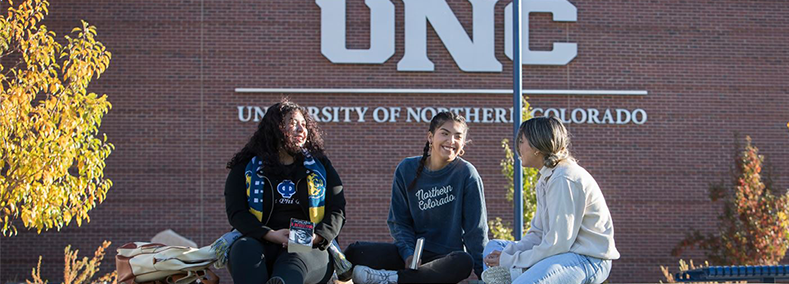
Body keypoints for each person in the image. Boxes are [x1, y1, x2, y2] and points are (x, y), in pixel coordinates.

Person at [344, 111, 489, 284]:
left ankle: (393, 279)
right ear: (430, 137)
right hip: (411, 255)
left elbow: (476, 231)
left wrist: (484, 274)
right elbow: (399, 222)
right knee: (356, 251)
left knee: (464, 261)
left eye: (458, 136)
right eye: (444, 133)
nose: (451, 141)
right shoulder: (406, 169)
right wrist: (409, 254)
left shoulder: (467, 174)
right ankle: (409, 278)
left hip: (445, 260)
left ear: (463, 143)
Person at [481, 116, 619, 284]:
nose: (518, 148)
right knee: (494, 248)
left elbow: (557, 244)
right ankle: (516, 275)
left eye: (522, 141)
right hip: (560, 254)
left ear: (536, 146)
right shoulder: (547, 178)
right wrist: (507, 254)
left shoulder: (564, 178)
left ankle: (519, 276)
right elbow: (538, 234)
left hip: (587, 259)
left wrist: (510, 260)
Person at [224, 99, 346, 284]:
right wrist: (270, 234)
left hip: (309, 244)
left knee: (294, 261)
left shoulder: (321, 166)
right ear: (275, 127)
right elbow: (237, 213)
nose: (301, 130)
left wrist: (317, 236)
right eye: (293, 123)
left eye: (304, 125)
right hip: (259, 238)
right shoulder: (245, 166)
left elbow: (337, 209)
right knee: (244, 250)